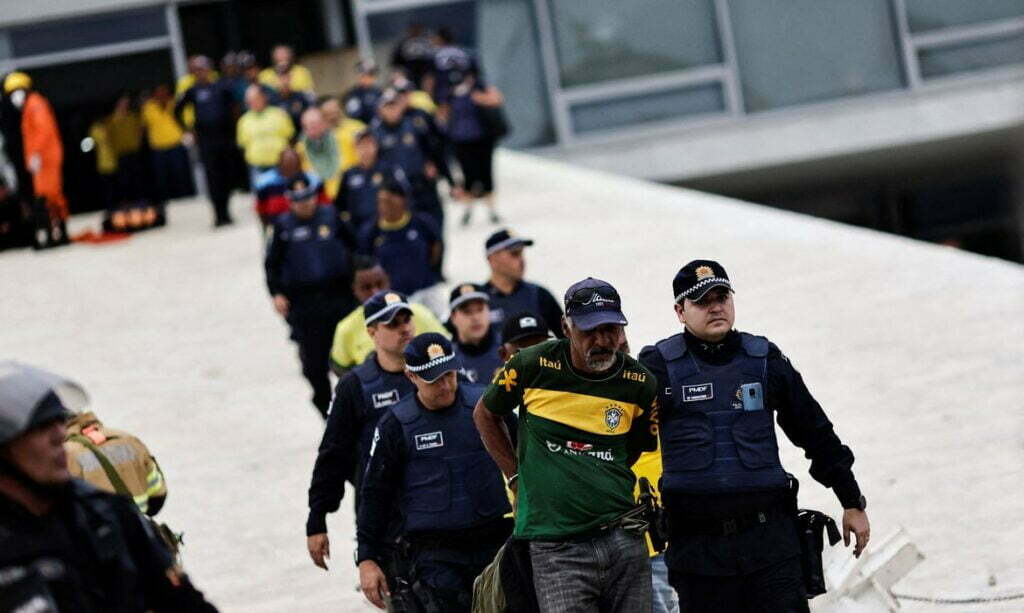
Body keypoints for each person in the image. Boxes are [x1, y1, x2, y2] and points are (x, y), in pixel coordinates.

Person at [637, 260, 871, 613]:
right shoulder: (658, 367)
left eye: (722, 297)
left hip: (769, 545)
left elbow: (816, 433)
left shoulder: (765, 360)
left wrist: (851, 501)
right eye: (702, 300)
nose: (715, 306)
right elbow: (624, 440)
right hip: (698, 553)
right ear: (679, 311)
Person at [473, 277, 658, 612]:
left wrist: (596, 472)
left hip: (625, 536)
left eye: (611, 329)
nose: (602, 341)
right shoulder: (530, 365)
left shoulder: (641, 382)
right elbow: (486, 414)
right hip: (556, 546)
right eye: (590, 330)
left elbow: (635, 447)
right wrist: (516, 476)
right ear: (565, 327)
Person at [0, 361, 218, 611]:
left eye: (58, 420)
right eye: (40, 427)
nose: (59, 434)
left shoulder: (107, 516)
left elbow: (186, 604)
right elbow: (157, 495)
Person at [357, 333, 514, 612]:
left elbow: (529, 458)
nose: (445, 386)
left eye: (449, 375)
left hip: (498, 540)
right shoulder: (395, 425)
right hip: (436, 552)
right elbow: (374, 494)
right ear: (411, 377)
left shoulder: (488, 406)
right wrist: (367, 558)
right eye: (434, 379)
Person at [306, 290, 417, 570]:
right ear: (372, 332)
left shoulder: (435, 372)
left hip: (440, 504)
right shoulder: (356, 386)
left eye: (407, 319)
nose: (403, 328)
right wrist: (318, 516)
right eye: (392, 323)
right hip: (385, 513)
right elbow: (334, 452)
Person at [264, 176, 357, 417]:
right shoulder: (282, 227)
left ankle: (356, 410)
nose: (304, 204)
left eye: (307, 198)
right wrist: (277, 294)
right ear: (289, 202)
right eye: (298, 200)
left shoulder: (332, 216)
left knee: (351, 358)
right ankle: (328, 412)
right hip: (306, 306)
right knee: (314, 367)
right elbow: (272, 265)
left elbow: (355, 249)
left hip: (340, 298)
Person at [329, 256, 449, 377]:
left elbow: (450, 350)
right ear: (354, 289)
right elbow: (340, 369)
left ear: (388, 280)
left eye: (380, 284)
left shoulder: (420, 313)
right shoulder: (346, 328)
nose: (375, 292)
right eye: (366, 287)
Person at [4, 71, 69, 249]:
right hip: (43, 159)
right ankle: (59, 234)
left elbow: (43, 130)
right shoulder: (30, 106)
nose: (13, 97)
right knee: (51, 197)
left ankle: (52, 236)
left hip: (46, 158)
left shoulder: (35, 104)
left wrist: (35, 154)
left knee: (46, 198)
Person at [371, 88, 451, 230]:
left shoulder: (414, 125)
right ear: (380, 109)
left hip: (422, 185)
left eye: (394, 105)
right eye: (387, 106)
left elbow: (433, 149)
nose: (392, 110)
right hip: (397, 193)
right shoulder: (375, 133)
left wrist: (441, 172)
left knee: (435, 223)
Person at [64, 410, 168, 517]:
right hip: (137, 528)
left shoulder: (61, 455)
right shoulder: (128, 439)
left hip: (97, 532)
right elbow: (158, 495)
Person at [174, 56, 238, 226]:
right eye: (196, 70)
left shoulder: (221, 86)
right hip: (205, 139)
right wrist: (188, 130)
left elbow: (234, 108)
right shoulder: (192, 90)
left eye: (202, 69)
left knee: (226, 176)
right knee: (212, 178)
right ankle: (218, 214)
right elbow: (177, 111)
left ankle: (226, 211)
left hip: (223, 137)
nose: (200, 73)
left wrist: (232, 131)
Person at [356, 177, 442, 299]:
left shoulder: (422, 222)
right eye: (380, 202)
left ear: (402, 200)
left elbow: (436, 248)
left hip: (426, 290)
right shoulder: (371, 231)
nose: (383, 206)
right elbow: (365, 262)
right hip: (393, 296)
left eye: (388, 202)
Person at [443, 75, 503, 226]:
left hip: (482, 139)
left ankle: (492, 210)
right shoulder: (448, 93)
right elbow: (442, 114)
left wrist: (478, 96)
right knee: (468, 177)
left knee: (486, 175)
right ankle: (468, 211)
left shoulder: (479, 88)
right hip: (461, 141)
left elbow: (497, 99)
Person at [482, 229, 565, 338]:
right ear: (492, 259)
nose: (522, 260)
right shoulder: (477, 302)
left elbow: (568, 341)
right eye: (514, 254)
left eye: (522, 253)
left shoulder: (539, 295)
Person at [334, 129, 408, 232]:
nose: (365, 150)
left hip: (386, 227)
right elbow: (339, 205)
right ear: (355, 149)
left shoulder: (388, 170)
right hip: (359, 229)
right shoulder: (349, 174)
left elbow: (405, 195)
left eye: (368, 144)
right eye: (361, 146)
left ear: (375, 146)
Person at [142, 84, 193, 209]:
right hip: (159, 147)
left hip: (176, 144)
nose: (161, 94)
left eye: (164, 91)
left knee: (180, 173)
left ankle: (185, 198)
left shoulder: (174, 103)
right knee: (162, 177)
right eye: (159, 91)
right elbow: (144, 126)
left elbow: (184, 119)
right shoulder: (148, 107)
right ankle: (165, 202)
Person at [236, 84, 295, 190]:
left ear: (263, 97)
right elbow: (242, 145)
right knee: (262, 198)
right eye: (249, 100)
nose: (252, 102)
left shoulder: (279, 114)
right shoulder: (244, 120)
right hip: (257, 167)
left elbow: (290, 137)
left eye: (255, 98)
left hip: (280, 166)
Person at [253, 147, 328, 226]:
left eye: (294, 165)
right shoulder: (265, 182)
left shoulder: (313, 180)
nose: (292, 169)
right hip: (278, 226)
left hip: (312, 224)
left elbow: (324, 204)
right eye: (288, 165)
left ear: (300, 164)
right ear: (279, 164)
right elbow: (261, 209)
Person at [448, 283, 502, 384]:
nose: (475, 318)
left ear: (489, 312)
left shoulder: (510, 349)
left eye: (480, 309)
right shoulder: (447, 361)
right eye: (467, 311)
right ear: (453, 318)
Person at [296, 107, 341, 199]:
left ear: (324, 123)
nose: (311, 128)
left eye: (314, 124)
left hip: (342, 191)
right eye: (306, 126)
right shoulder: (300, 149)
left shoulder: (340, 139)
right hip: (317, 197)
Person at [317, 96, 365, 174]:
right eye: (329, 114)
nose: (334, 116)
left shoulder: (358, 127)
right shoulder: (317, 136)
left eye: (336, 111)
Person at [390, 24, 437, 90]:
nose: (415, 32)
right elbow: (396, 61)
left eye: (417, 30)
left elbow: (433, 58)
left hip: (425, 71)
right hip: (409, 72)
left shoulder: (427, 42)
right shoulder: (404, 43)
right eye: (413, 30)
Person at [343, 61, 382, 125]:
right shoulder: (352, 95)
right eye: (368, 75)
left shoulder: (378, 91)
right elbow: (354, 117)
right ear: (359, 77)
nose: (371, 78)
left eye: (372, 75)